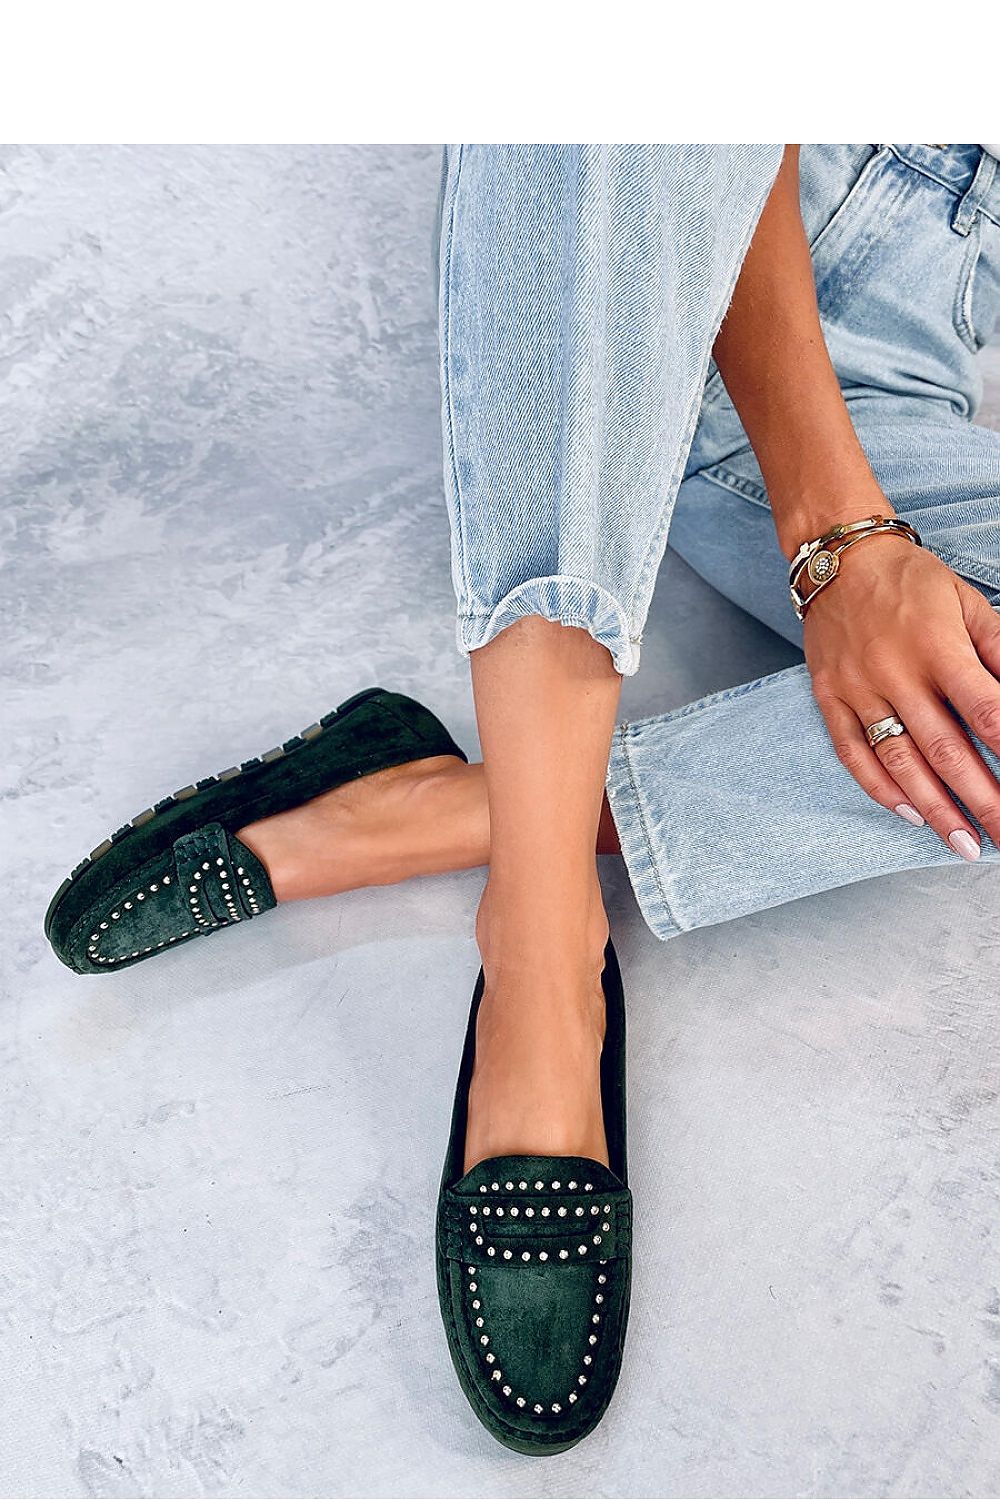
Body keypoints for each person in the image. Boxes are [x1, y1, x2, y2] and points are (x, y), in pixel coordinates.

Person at [45, 144, 1000, 1455]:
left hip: (919, 381)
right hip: (657, 268)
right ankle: (544, 945)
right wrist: (841, 541)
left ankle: (438, 808)